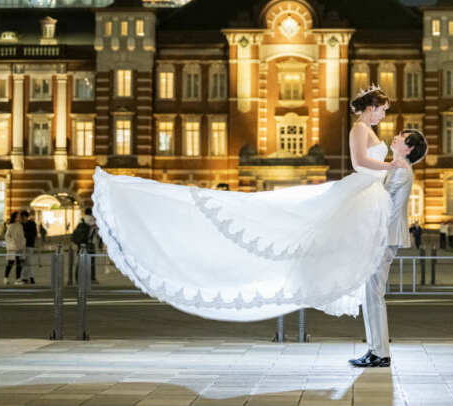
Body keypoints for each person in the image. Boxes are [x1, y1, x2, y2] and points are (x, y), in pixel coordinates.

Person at [91, 85, 408, 321]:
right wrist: (390, 165)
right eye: (382, 109)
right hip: (360, 190)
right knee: (299, 219)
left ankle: (367, 329)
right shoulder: (359, 128)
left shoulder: (368, 129)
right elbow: (358, 162)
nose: (384, 114)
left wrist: (391, 166)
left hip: (367, 196)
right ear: (371, 108)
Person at [350, 129, 428, 368]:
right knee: (371, 293)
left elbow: (380, 199)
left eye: (402, 137)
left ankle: (380, 352)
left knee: (374, 293)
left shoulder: (400, 169)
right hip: (384, 235)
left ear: (409, 148)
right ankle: (375, 349)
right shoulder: (397, 166)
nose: (396, 136)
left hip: (385, 236)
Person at [72, 209, 99, 283]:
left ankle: (77, 278)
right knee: (91, 261)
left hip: (81, 244)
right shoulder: (93, 220)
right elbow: (96, 232)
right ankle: (92, 278)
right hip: (90, 243)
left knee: (80, 261)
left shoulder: (81, 219)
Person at [3, 212, 26, 285]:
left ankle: (18, 279)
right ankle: (6, 278)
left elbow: (22, 237)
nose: (20, 218)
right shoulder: (11, 226)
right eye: (18, 216)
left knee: (19, 263)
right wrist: (12, 243)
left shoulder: (20, 226)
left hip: (19, 248)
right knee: (10, 263)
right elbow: (7, 236)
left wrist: (23, 244)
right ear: (15, 218)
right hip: (13, 248)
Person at [20, 211, 37, 284]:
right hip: (23, 246)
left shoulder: (31, 223)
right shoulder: (21, 224)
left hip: (29, 245)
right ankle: (26, 277)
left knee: (28, 262)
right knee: (25, 262)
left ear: (25, 217)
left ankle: (29, 277)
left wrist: (25, 234)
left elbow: (34, 234)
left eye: (22, 217)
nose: (22, 219)